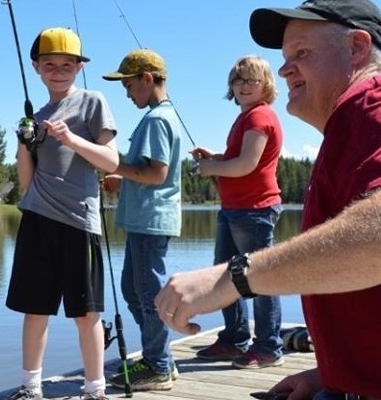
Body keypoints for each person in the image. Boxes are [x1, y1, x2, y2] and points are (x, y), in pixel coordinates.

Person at [155, 0, 381, 398]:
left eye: (302, 53)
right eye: (285, 56)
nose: (284, 68)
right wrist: (328, 371)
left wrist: (232, 279)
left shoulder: (370, 105)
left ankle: (264, 345)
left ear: (357, 48)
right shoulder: (350, 121)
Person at [5, 27, 119, 400]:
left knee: (86, 315)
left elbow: (111, 159)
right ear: (36, 68)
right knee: (35, 310)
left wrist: (70, 138)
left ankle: (95, 389)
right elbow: (27, 183)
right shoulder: (36, 118)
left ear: (79, 67)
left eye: (67, 64)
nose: (58, 71)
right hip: (37, 219)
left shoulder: (92, 102)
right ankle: (30, 387)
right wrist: (24, 145)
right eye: (50, 64)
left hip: (79, 223)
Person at [191, 55, 285, 369]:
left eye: (251, 80)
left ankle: (269, 347)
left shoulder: (259, 117)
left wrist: (211, 167)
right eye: (238, 80)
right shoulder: (246, 117)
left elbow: (247, 165)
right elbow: (238, 159)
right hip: (233, 209)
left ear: (265, 85)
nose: (244, 85)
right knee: (224, 276)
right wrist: (215, 158)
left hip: (254, 210)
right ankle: (234, 339)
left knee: (259, 280)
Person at [100, 49, 182, 391]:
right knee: (133, 291)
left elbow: (157, 174)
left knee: (148, 294)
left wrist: (113, 165)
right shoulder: (157, 116)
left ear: (147, 79)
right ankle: (160, 357)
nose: (127, 92)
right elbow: (146, 173)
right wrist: (125, 178)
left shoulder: (157, 120)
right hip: (142, 221)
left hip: (151, 221)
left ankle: (158, 368)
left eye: (130, 85)